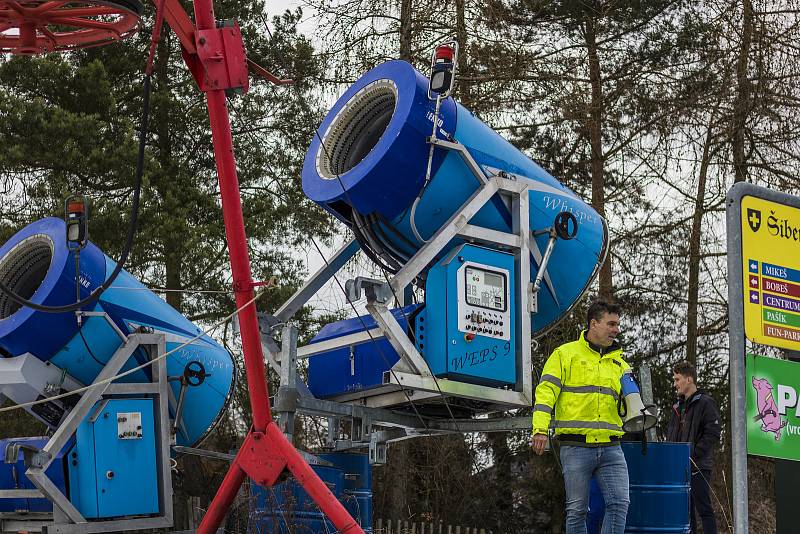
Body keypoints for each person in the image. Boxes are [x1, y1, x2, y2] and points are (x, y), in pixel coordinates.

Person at [532, 300, 630, 534]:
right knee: (577, 510)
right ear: (593, 324)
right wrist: (539, 429)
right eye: (611, 323)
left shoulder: (621, 363)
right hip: (576, 447)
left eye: (618, 324)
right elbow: (545, 394)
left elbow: (630, 406)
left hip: (611, 447)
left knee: (620, 504)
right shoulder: (564, 355)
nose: (616, 329)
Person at [667, 360, 720, 534]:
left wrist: (693, 456)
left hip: (698, 467)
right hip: (678, 467)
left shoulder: (706, 403)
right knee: (684, 512)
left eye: (677, 379)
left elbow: (712, 433)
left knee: (704, 509)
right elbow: (671, 436)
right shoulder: (676, 407)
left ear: (689, 379)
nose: (675, 384)